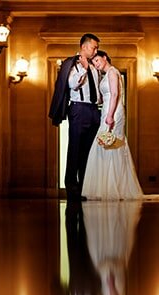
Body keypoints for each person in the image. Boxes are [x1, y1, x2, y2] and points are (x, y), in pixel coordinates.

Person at [82, 50, 159, 201]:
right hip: (108, 111)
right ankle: (108, 188)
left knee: (110, 145)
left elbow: (115, 94)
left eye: (97, 60)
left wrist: (110, 115)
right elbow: (107, 96)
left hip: (113, 113)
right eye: (94, 62)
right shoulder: (106, 74)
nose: (96, 64)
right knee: (107, 146)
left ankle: (113, 188)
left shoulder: (111, 72)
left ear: (104, 57)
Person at [49, 33, 101, 201]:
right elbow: (72, 84)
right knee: (75, 150)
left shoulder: (94, 67)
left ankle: (85, 188)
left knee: (89, 151)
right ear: (84, 47)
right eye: (94, 47)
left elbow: (97, 90)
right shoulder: (74, 65)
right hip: (79, 110)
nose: (96, 51)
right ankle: (72, 190)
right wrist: (84, 69)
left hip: (94, 110)